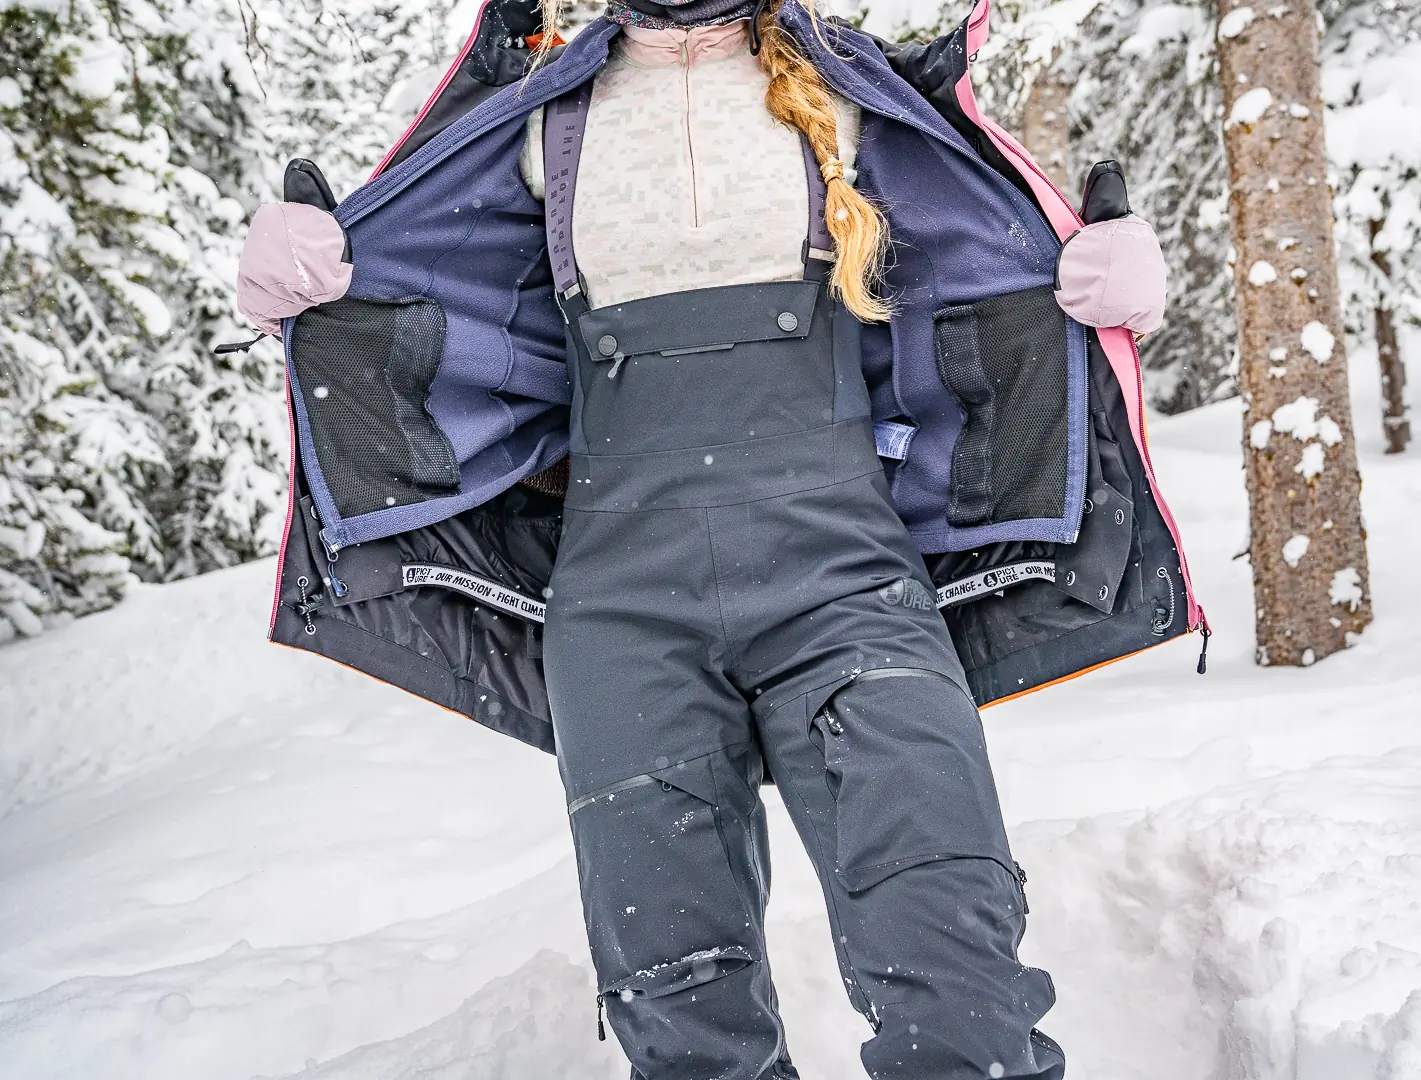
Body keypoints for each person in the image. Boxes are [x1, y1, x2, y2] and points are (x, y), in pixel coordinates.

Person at [238, 1, 1196, 1076]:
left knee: (952, 954)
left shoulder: (844, 89)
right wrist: (322, 284)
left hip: (844, 582)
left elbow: (976, 266)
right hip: (620, 615)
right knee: (682, 1010)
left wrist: (1088, 291)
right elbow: (442, 312)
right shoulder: (533, 120)